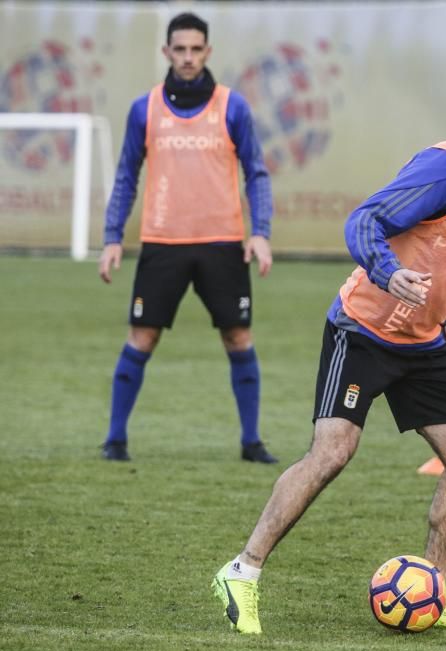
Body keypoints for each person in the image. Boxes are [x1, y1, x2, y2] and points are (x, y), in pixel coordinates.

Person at [211, 91, 446, 635]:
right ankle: (242, 571)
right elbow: (364, 221)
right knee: (332, 452)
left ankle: (431, 593)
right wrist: (389, 274)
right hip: (362, 330)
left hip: (423, 342)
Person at [98, 12, 277, 464]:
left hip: (222, 244)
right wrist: (112, 237)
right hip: (162, 244)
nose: (188, 57)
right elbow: (125, 177)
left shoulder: (232, 106)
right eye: (180, 49)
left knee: (238, 338)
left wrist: (261, 233)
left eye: (196, 49)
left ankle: (251, 442)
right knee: (142, 337)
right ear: (167, 52)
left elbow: (256, 173)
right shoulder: (146, 108)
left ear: (208, 52)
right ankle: (115, 440)